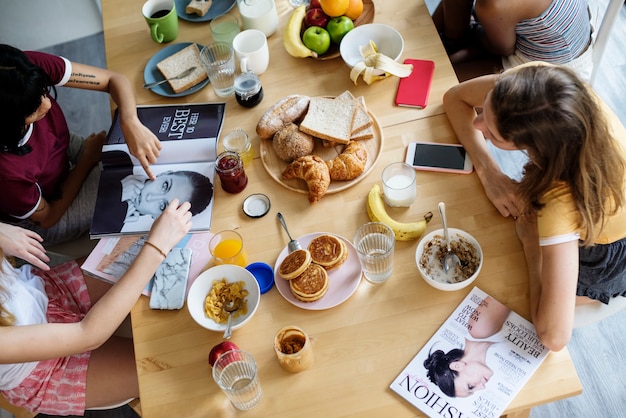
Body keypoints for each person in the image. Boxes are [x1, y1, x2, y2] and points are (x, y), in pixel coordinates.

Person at [442, 62, 626, 351]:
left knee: (512, 282)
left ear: (535, 146)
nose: (478, 125)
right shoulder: (539, 84)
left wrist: (531, 243)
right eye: (484, 110)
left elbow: (553, 337)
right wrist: (489, 170)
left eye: (491, 133)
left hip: (606, 249)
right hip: (607, 199)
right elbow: (455, 98)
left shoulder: (559, 201)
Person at [0, 198, 191, 415]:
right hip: (45, 370)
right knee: (176, 362)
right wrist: (157, 247)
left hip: (49, 294)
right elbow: (87, 334)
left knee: (160, 240)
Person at [0, 44, 162, 246]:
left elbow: (114, 80)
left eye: (44, 90)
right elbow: (48, 217)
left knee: (137, 157)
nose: (48, 104)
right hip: (43, 217)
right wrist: (86, 160)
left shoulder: (20, 69)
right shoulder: (6, 173)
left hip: (58, 149)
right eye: (33, 108)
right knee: (130, 181)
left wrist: (130, 121)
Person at [431, 0, 593, 81]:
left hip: (553, 70)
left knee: (438, 85)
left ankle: (454, 43)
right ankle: (452, 42)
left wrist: (471, 32)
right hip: (519, 32)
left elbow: (502, 49)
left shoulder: (496, 5)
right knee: (437, 67)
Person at [91, 151, 213, 236]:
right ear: (164, 174)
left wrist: (114, 215)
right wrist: (117, 191)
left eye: (162, 206)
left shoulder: (113, 227)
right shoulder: (122, 159)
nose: (149, 197)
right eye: (164, 186)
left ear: (158, 217)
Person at [423, 296, 511, 397]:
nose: (482, 387)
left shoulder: (480, 329)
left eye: (470, 386)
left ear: (458, 366)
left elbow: (510, 291)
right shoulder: (492, 345)